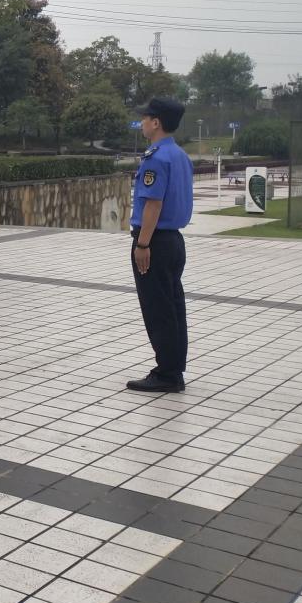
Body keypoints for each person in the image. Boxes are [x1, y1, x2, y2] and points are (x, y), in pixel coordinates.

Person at [126, 97, 194, 394]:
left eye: (145, 118)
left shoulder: (156, 158)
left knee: (158, 308)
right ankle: (173, 367)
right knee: (173, 306)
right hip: (174, 241)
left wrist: (142, 244)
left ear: (156, 122)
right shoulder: (179, 155)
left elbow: (153, 204)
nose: (141, 122)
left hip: (155, 241)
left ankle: (167, 374)